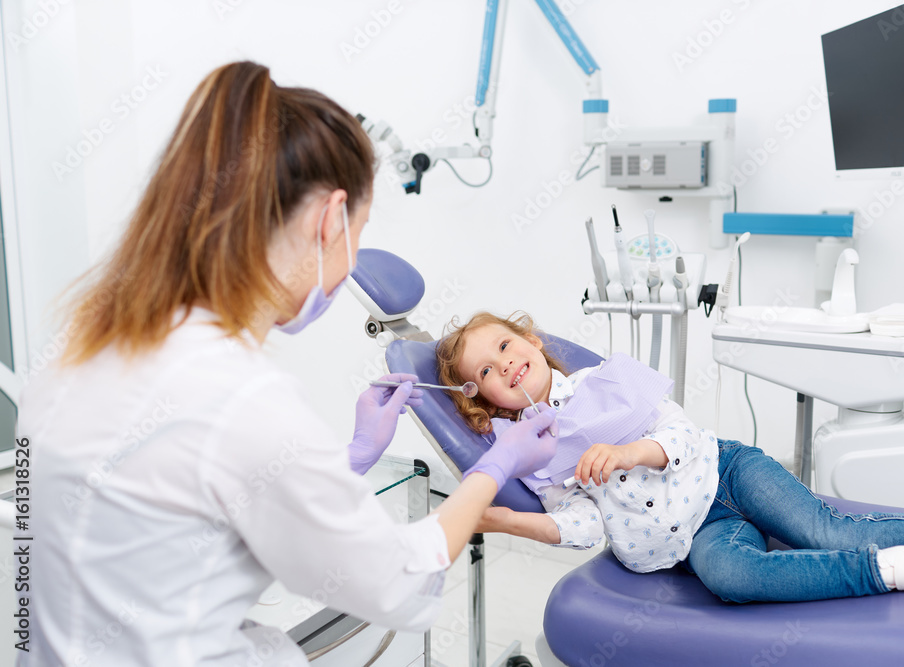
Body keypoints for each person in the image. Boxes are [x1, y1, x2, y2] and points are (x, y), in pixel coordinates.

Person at [17, 63, 560, 667]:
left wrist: (354, 457)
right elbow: (398, 585)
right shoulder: (240, 398)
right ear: (331, 220)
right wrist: (498, 463)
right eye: (358, 231)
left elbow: (197, 520)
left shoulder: (76, 353)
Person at [436, 310, 904, 612]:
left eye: (505, 347)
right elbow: (583, 525)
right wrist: (500, 520)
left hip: (726, 472)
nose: (503, 366)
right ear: (483, 399)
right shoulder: (533, 455)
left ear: (531, 339)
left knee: (822, 528)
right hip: (696, 539)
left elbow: (679, 429)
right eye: (485, 372)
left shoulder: (603, 382)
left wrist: (630, 451)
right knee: (732, 577)